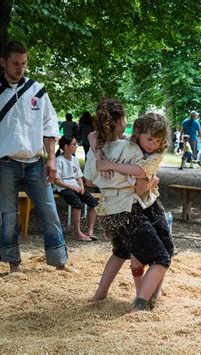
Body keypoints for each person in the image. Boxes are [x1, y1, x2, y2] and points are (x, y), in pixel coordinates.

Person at [0, 40, 69, 273]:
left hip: (34, 162)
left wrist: (52, 159)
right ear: (3, 62)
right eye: (14, 63)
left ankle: (59, 262)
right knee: (8, 215)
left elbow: (50, 127)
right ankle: (13, 266)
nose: (19, 68)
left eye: (23, 63)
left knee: (50, 211)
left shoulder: (37, 90)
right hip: (3, 164)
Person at [85, 101, 173, 311]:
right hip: (129, 208)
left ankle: (100, 294)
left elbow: (88, 181)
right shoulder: (131, 148)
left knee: (120, 251)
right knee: (161, 256)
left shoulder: (94, 150)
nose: (126, 124)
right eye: (124, 120)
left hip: (107, 210)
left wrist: (101, 157)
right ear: (118, 122)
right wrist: (153, 182)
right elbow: (142, 186)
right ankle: (141, 303)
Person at [54, 135, 98, 242]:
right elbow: (57, 181)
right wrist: (73, 187)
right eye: (74, 144)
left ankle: (90, 231)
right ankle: (78, 233)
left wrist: (81, 187)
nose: (76, 146)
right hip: (63, 188)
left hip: (75, 187)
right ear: (65, 146)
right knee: (78, 205)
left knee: (94, 204)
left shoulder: (74, 159)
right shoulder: (58, 160)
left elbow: (79, 176)